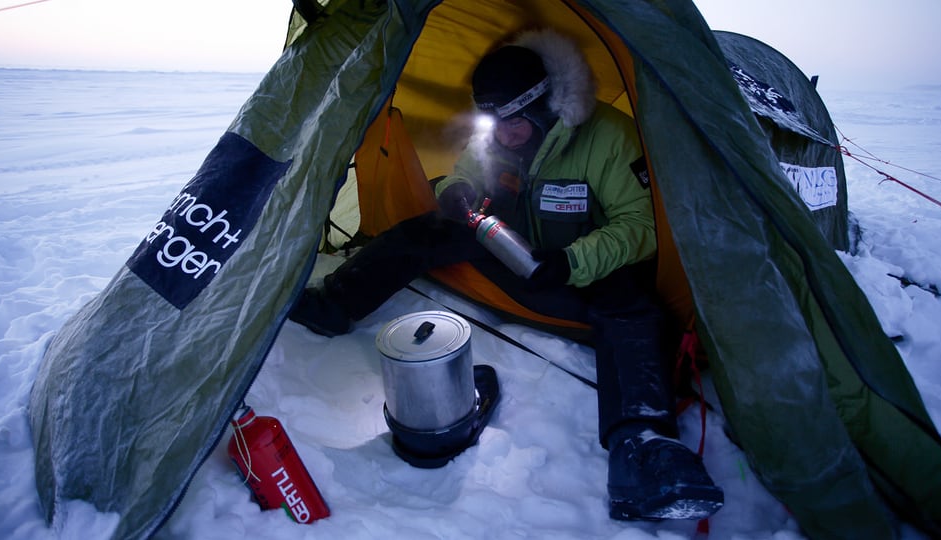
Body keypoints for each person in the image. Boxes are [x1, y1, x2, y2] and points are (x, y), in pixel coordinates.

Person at [289, 29, 724, 521]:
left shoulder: (606, 136)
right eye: (491, 122)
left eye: (513, 123)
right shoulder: (497, 131)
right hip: (514, 253)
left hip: (581, 270)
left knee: (633, 308)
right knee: (428, 229)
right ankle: (335, 303)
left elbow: (642, 226)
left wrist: (573, 262)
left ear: (545, 106)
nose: (502, 135)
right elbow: (466, 170)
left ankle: (642, 451)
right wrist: (456, 191)